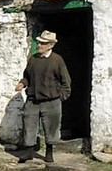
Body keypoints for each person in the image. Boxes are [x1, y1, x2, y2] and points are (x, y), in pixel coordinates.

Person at [15, 30, 71, 163]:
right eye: (39, 42)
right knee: (29, 125)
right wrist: (22, 83)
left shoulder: (57, 60)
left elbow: (66, 81)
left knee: (51, 128)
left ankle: (49, 152)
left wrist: (60, 97)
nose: (39, 45)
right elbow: (27, 76)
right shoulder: (33, 59)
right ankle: (29, 152)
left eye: (43, 43)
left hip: (51, 101)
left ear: (51, 45)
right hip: (32, 100)